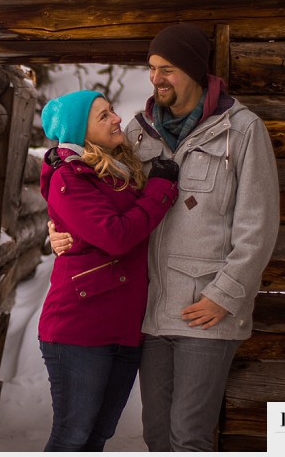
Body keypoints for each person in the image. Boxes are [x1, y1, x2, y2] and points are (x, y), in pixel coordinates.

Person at [49, 23, 280, 451]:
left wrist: (225, 295)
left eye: (168, 68)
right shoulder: (137, 131)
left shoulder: (242, 131)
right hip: (150, 313)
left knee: (188, 436)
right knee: (156, 436)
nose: (157, 78)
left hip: (205, 311)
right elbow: (93, 194)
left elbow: (258, 225)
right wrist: (59, 230)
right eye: (152, 68)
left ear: (193, 70)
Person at [37, 89, 180, 451]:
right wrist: (160, 189)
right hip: (80, 329)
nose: (117, 118)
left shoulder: (115, 169)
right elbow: (115, 236)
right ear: (79, 132)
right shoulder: (69, 178)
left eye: (112, 110)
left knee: (97, 436)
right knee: (72, 436)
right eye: (103, 116)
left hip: (124, 326)